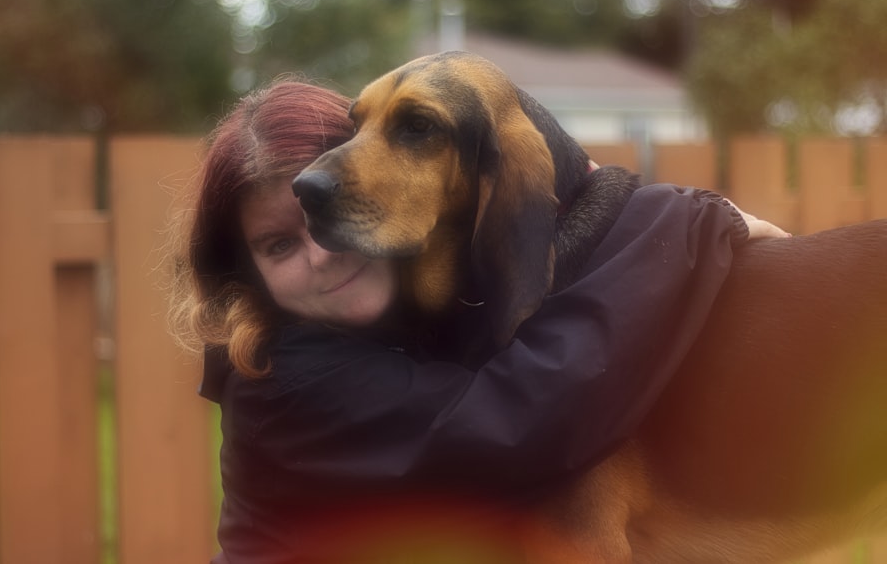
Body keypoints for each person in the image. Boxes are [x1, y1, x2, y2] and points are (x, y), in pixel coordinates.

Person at [167, 77, 788, 564]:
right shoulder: (288, 380)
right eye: (278, 246)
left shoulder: (407, 332)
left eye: (338, 212)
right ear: (247, 274)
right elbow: (521, 416)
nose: (322, 255)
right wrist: (683, 227)